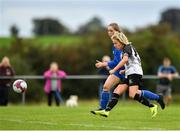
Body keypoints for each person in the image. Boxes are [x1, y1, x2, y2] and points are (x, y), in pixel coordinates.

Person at [96, 32, 165, 118]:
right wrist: (124, 70)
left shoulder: (127, 47)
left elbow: (125, 60)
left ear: (121, 41)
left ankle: (157, 98)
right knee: (117, 91)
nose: (114, 45)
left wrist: (114, 70)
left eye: (115, 43)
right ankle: (106, 111)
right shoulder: (124, 50)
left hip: (135, 73)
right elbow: (133, 61)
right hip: (129, 73)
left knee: (133, 94)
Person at [91, 23, 126, 114]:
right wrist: (104, 64)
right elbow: (115, 61)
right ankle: (102, 109)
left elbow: (119, 62)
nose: (109, 32)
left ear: (117, 31)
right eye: (108, 30)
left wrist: (104, 64)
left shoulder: (122, 44)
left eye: (111, 30)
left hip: (127, 71)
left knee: (136, 94)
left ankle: (158, 98)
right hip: (119, 71)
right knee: (106, 87)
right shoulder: (114, 46)